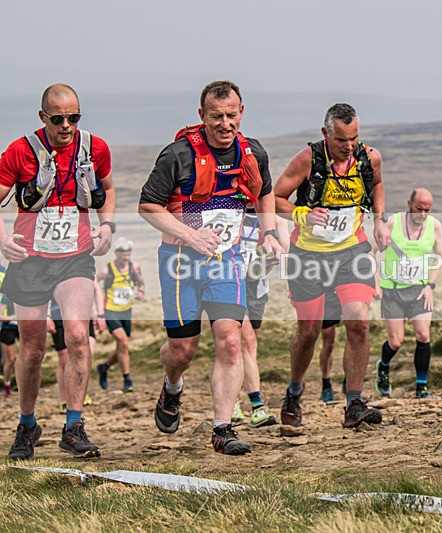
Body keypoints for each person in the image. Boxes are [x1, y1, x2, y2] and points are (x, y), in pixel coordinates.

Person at [138, 80, 284, 455]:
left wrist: (268, 232)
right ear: (201, 116)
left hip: (226, 260)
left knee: (231, 340)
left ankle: (223, 429)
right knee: (182, 350)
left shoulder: (253, 153)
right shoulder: (177, 155)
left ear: (241, 113)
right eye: (216, 116)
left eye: (231, 115)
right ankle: (173, 387)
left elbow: (265, 190)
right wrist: (189, 235)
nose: (224, 123)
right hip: (179, 264)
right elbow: (148, 207)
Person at [0, 83, 115, 459]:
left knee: (78, 336)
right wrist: (2, 239)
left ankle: (74, 426)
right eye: (58, 118)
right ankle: (28, 425)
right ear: (42, 117)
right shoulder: (20, 152)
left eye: (74, 117)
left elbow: (108, 189)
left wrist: (107, 225)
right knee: (32, 350)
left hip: (75, 258)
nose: (66, 125)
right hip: (30, 261)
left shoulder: (95, 148)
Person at [274, 102, 390, 428]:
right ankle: (295, 390)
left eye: (353, 138)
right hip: (309, 255)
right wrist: (303, 214)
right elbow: (275, 198)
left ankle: (354, 403)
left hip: (351, 252)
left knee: (359, 322)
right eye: (341, 140)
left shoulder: (369, 158)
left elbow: (378, 184)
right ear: (326, 134)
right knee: (309, 332)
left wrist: (380, 220)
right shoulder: (308, 160)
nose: (348, 146)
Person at [375, 188, 442, 399]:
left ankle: (421, 387)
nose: (423, 215)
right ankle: (383, 366)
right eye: (418, 209)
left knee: (423, 335)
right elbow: (370, 252)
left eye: (427, 210)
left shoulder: (435, 226)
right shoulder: (391, 223)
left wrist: (429, 286)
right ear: (409, 204)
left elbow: (439, 258)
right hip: (393, 290)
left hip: (419, 289)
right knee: (396, 341)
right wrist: (375, 281)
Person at [231, 211, 289, 427]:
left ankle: (237, 400)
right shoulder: (232, 211)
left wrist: (276, 251)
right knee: (244, 342)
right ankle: (253, 405)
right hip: (231, 284)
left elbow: (283, 250)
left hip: (257, 288)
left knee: (247, 347)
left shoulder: (272, 217)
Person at [95, 237, 145, 392]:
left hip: (126, 310)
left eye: (129, 253)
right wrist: (97, 313)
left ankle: (104, 367)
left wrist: (141, 292)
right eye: (123, 254)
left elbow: (141, 284)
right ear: (116, 253)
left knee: (122, 345)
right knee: (123, 342)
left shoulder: (134, 267)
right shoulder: (106, 270)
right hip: (110, 310)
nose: (126, 257)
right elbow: (93, 286)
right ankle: (127, 379)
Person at [49, 282, 104, 414]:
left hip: (83, 313)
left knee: (87, 352)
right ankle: (64, 399)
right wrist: (46, 316)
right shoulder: (50, 261)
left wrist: (100, 314)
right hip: (58, 315)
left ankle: (80, 394)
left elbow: (96, 288)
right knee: (63, 358)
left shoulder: (84, 262)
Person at [0, 290, 18, 400]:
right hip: (8, 329)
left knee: (27, 358)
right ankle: (7, 385)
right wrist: (12, 318)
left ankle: (23, 385)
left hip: (22, 328)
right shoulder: (6, 296)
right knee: (10, 360)